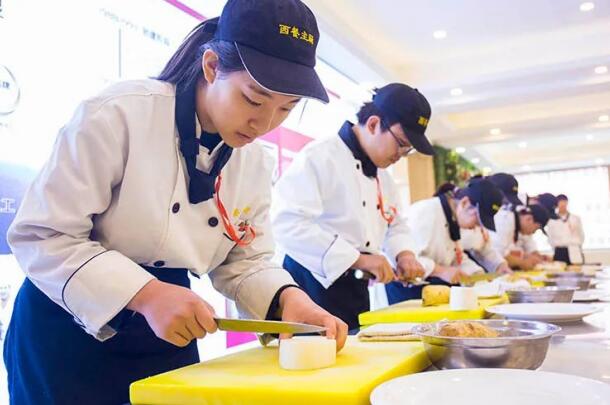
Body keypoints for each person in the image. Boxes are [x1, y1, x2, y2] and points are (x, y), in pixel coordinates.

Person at [3, 1, 348, 404]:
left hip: (172, 325)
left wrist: (291, 301)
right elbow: (43, 235)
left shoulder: (253, 162)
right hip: (67, 332)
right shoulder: (119, 114)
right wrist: (147, 295)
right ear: (211, 66)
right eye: (254, 100)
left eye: (285, 109)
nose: (265, 124)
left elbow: (245, 261)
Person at [271, 83, 433, 330]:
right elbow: (287, 224)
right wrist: (357, 259)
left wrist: (405, 254)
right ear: (373, 124)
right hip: (309, 289)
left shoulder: (383, 178)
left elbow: (396, 224)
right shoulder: (320, 157)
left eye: (408, 149)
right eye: (401, 143)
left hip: (355, 289)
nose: (401, 153)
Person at [385, 179, 504, 305]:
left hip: (435, 291)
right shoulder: (425, 212)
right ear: (464, 203)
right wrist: (440, 270)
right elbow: (406, 260)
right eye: (477, 221)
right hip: (407, 291)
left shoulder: (454, 218)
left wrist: (476, 273)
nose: (476, 227)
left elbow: (457, 255)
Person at [489, 203, 551, 270]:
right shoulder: (506, 222)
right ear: (529, 219)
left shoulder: (517, 224)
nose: (532, 233)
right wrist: (522, 263)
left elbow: (528, 247)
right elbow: (499, 254)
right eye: (535, 229)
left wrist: (536, 257)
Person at [546, 194, 585, 264]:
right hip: (559, 251)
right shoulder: (552, 220)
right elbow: (550, 238)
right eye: (560, 203)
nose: (562, 206)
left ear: (567, 203)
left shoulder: (575, 218)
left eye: (564, 203)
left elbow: (581, 235)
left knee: (577, 271)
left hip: (574, 249)